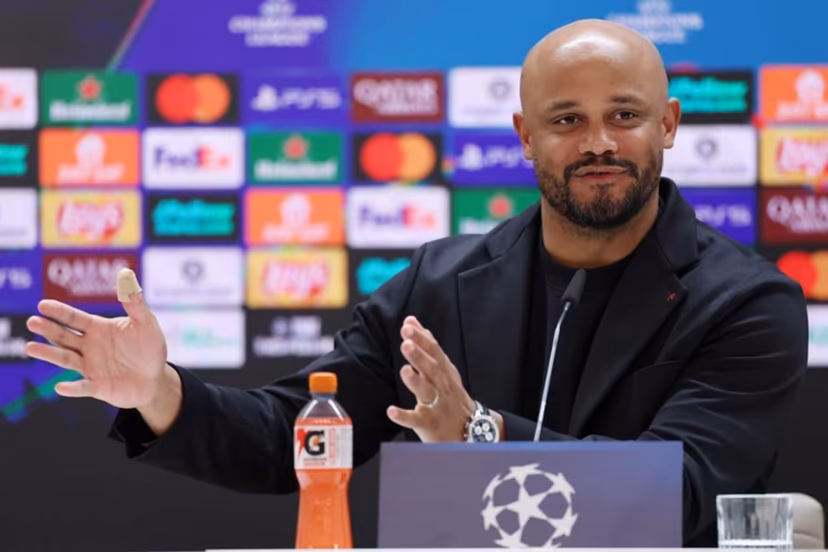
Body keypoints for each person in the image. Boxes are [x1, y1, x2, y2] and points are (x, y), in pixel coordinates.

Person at [24, 19, 807, 547]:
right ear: (524, 136)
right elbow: (290, 442)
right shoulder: (442, 281)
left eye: (625, 116)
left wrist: (481, 435)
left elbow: (681, 498)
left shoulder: (745, 302)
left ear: (668, 124)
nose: (598, 143)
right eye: (567, 120)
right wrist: (157, 390)